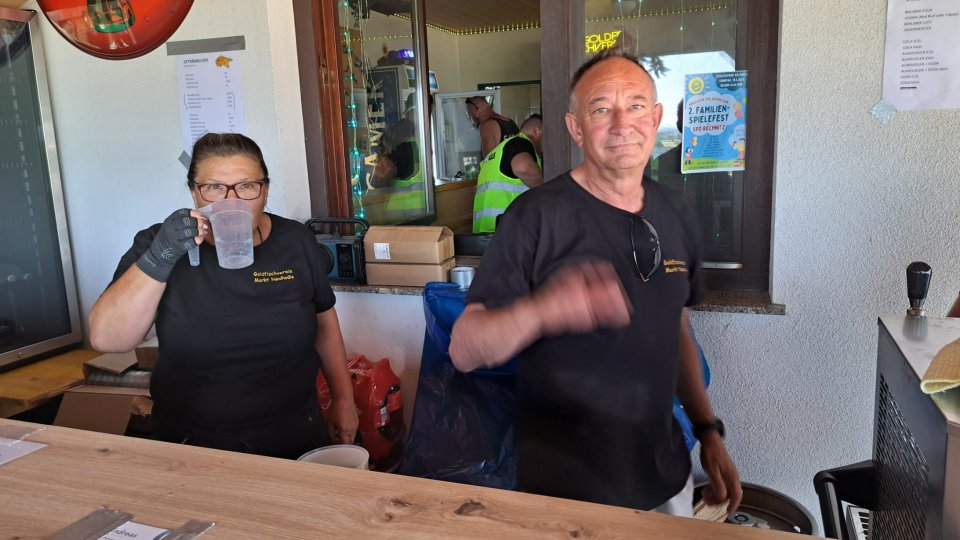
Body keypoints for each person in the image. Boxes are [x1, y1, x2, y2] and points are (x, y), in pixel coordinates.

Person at [449, 48, 742, 515]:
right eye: (601, 109)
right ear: (576, 128)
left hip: (666, 477)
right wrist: (544, 310)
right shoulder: (534, 217)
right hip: (563, 492)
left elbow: (676, 326)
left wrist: (708, 431)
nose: (622, 123)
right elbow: (464, 348)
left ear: (656, 118)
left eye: (636, 105)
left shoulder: (676, 212)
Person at [88, 133, 359, 459]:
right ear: (194, 192)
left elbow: (325, 324)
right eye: (215, 187)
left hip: (294, 433)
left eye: (247, 185)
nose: (231, 200)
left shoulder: (295, 241)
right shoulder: (158, 244)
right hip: (193, 442)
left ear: (265, 190)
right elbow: (107, 338)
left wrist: (344, 401)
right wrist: (161, 256)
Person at [472, 113, 544, 233]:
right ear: (536, 131)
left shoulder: (498, 152)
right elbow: (522, 168)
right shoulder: (522, 143)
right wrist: (550, 190)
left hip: (485, 233)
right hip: (506, 231)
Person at [370, 93, 428, 221]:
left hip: (395, 206)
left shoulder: (401, 139)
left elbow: (378, 181)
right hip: (416, 208)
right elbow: (381, 176)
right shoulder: (412, 141)